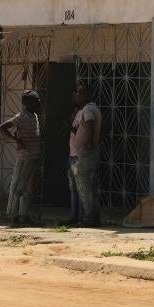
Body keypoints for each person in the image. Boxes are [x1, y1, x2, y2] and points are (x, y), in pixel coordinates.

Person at [0, 90, 42, 228]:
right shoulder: (21, 117)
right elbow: (2, 128)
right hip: (24, 157)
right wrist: (16, 139)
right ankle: (14, 216)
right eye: (36, 100)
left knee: (28, 188)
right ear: (28, 103)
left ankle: (24, 216)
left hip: (34, 156)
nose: (39, 102)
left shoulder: (34, 116)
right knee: (18, 187)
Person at [68, 83, 102, 227]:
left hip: (84, 154)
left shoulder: (88, 109)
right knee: (87, 187)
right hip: (80, 153)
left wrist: (88, 142)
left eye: (80, 93)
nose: (77, 95)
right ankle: (88, 217)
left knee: (84, 187)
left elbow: (89, 124)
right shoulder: (87, 109)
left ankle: (88, 219)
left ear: (87, 95)